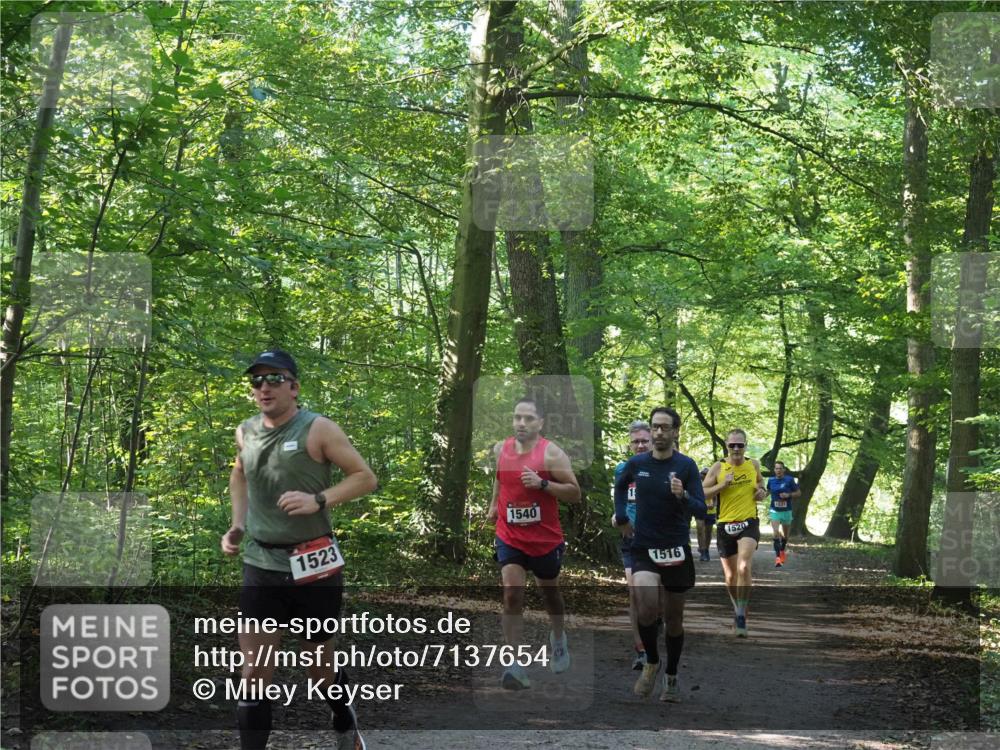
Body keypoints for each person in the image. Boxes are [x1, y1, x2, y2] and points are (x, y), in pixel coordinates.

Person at [221, 349, 378, 750]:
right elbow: (239, 476)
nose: (264, 387)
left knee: (318, 670)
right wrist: (238, 523)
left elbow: (364, 478)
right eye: (257, 381)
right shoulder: (245, 431)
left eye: (274, 378)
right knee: (254, 671)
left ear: (294, 386)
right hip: (261, 560)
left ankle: (343, 719)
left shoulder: (318, 429)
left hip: (314, 562)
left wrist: (320, 500)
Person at [487, 397, 582, 690]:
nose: (521, 423)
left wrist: (543, 484)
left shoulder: (551, 454)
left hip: (544, 539)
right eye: (517, 417)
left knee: (550, 595)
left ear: (540, 423)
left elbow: (574, 493)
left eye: (528, 418)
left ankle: (557, 637)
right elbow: (500, 480)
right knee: (512, 595)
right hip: (509, 534)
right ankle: (514, 664)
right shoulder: (500, 450)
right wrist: (492, 506)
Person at [614, 407, 706, 702]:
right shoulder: (637, 463)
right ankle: (652, 661)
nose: (658, 433)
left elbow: (702, 510)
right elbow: (619, 487)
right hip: (644, 546)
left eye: (665, 428)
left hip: (676, 548)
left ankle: (672, 674)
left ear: (676, 431)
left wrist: (684, 496)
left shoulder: (687, 466)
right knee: (646, 607)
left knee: (674, 618)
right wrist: (622, 518)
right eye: (655, 427)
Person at [702, 429, 766, 638]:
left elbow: (761, 485)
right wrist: (723, 484)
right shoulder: (719, 467)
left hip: (748, 522)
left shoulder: (753, 464)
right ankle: (738, 608)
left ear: (746, 446)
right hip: (725, 525)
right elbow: (702, 493)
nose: (736, 449)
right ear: (727, 446)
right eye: (732, 445)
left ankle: (740, 615)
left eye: (740, 445)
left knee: (744, 565)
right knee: (730, 577)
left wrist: (761, 492)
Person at [609, 420, 656, 670]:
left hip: (659, 541)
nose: (640, 445)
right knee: (634, 593)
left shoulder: (664, 467)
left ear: (652, 442)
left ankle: (653, 635)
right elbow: (617, 502)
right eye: (636, 441)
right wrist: (617, 518)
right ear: (630, 443)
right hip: (631, 541)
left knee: (656, 599)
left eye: (644, 441)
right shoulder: (622, 469)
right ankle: (640, 650)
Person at [766, 461, 800, 567]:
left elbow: (798, 493)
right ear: (774, 470)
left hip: (787, 511)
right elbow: (767, 491)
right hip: (774, 510)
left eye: (780, 468)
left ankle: (782, 551)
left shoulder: (789, 480)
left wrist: (788, 495)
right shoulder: (771, 480)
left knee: (785, 535)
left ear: (784, 470)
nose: (778, 470)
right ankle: (777, 558)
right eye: (776, 468)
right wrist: (760, 496)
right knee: (776, 533)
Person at [695, 467, 714, 561]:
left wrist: (714, 505)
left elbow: (716, 497)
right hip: (699, 509)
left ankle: (706, 549)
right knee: (700, 528)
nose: (705, 475)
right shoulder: (696, 483)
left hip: (710, 511)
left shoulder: (713, 482)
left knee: (708, 531)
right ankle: (702, 551)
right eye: (703, 473)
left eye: (707, 474)